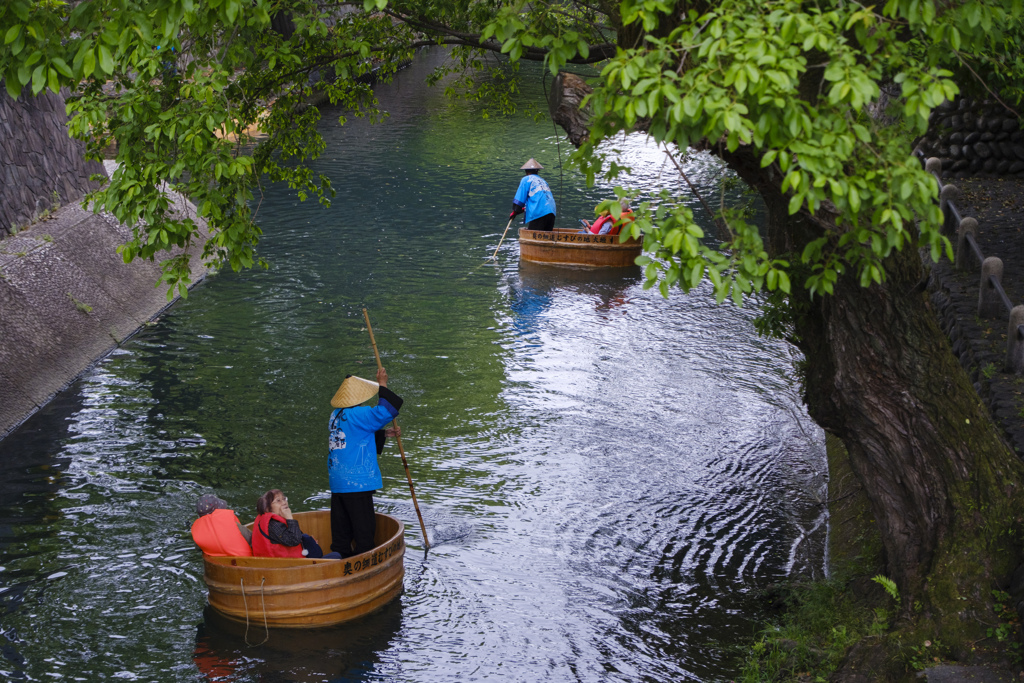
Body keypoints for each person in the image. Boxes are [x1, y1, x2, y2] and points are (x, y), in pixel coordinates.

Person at [328, 367, 403, 558]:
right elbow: (387, 410)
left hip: (338, 481)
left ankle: (339, 558)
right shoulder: (360, 414)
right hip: (356, 481)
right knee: (364, 530)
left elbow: (355, 435)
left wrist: (384, 433)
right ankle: (363, 565)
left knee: (341, 528)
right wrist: (383, 383)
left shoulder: (335, 415)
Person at [251, 489, 333, 559]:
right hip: (287, 565)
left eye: (284, 499)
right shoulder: (273, 525)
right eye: (278, 501)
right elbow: (294, 540)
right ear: (268, 508)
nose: (284, 502)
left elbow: (293, 538)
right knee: (337, 556)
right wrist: (289, 518)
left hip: (290, 561)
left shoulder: (272, 520)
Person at [510, 158, 557, 231]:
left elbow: (519, 200)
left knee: (534, 236)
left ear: (526, 171)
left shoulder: (526, 179)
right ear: (537, 171)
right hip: (551, 212)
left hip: (539, 212)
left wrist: (515, 211)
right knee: (546, 239)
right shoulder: (543, 181)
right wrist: (520, 209)